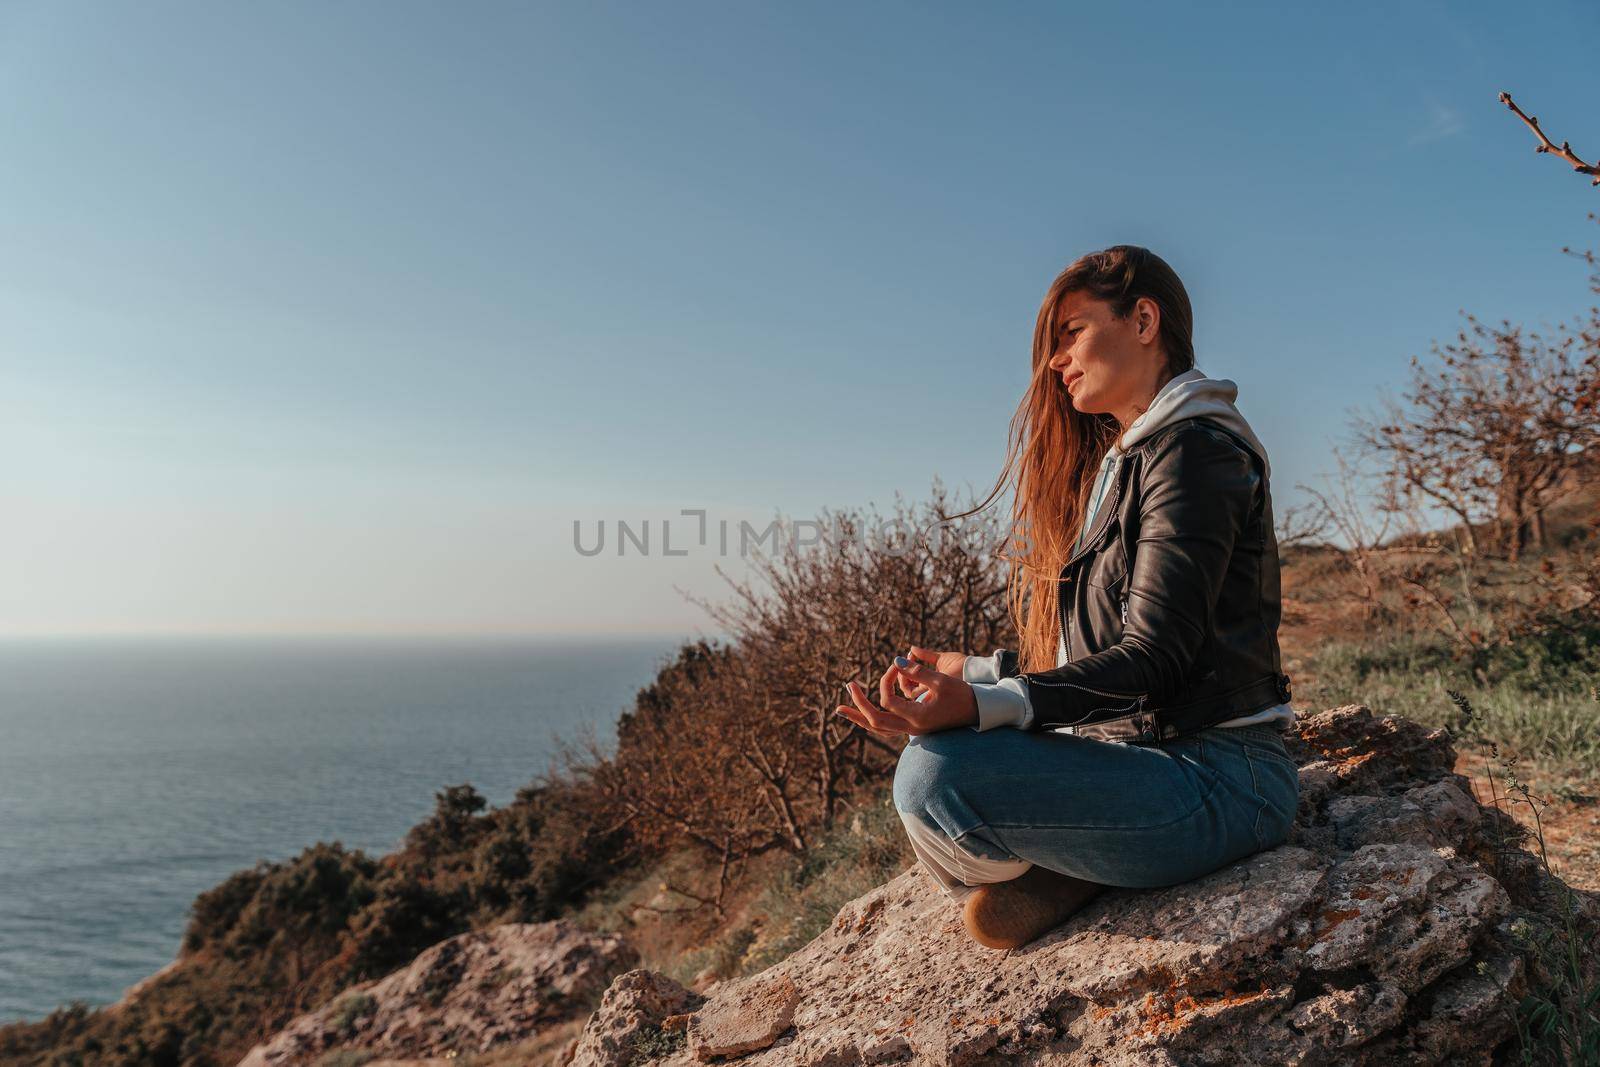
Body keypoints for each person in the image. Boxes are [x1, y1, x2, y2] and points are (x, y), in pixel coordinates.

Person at [834, 245, 1300, 951]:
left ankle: (1080, 859)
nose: (1056, 360)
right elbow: (1114, 647)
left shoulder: (1198, 452)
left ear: (1144, 319)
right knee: (934, 763)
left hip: (1228, 781)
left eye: (1072, 332)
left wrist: (991, 705)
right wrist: (978, 674)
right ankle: (1091, 857)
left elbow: (1154, 659)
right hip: (1147, 763)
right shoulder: (1131, 462)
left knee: (936, 775)